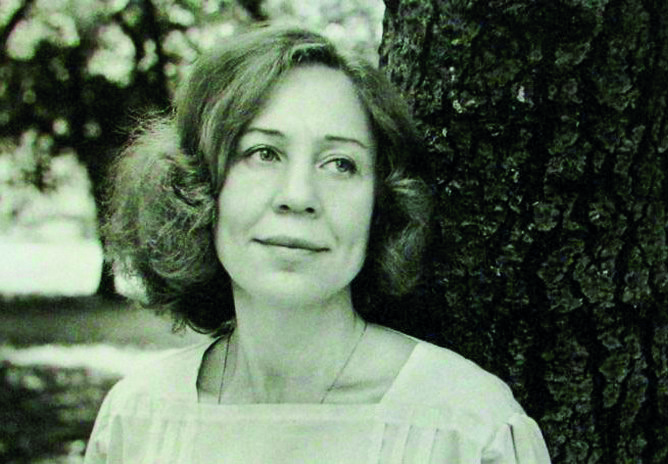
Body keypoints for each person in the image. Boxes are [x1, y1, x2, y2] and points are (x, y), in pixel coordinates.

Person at [85, 25, 551, 464]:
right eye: (263, 153)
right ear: (198, 187)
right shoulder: (138, 418)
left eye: (340, 164)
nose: (298, 196)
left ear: (381, 202)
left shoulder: (466, 429)